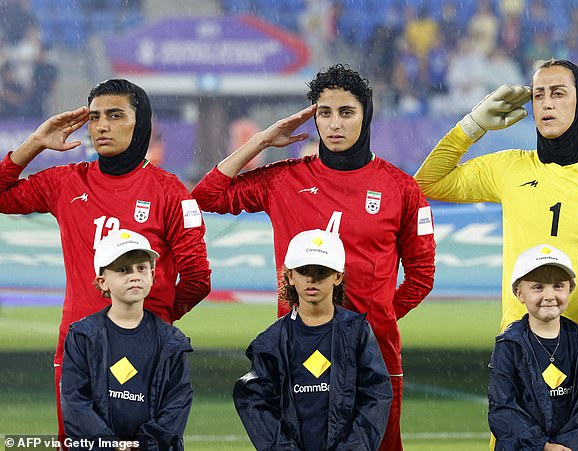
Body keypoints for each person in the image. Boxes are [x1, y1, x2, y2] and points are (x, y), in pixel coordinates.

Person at [193, 64, 435, 450]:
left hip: (374, 354)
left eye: (346, 112)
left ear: (366, 115)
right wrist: (262, 140)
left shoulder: (401, 189)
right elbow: (207, 196)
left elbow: (421, 276)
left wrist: (374, 320)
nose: (335, 124)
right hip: (295, 351)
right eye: (325, 113)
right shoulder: (284, 180)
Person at [416, 59, 578, 449]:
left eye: (558, 93)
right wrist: (473, 125)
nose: (546, 103)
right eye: (538, 95)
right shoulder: (510, 168)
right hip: (519, 358)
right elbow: (428, 182)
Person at [0, 79, 210, 440]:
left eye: (115, 115)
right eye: (95, 117)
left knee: (148, 444)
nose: (101, 126)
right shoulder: (66, 182)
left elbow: (197, 278)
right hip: (79, 349)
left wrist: (155, 319)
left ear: (140, 122)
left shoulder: (170, 191)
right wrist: (35, 142)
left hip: (149, 350)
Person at [233, 229, 392, 450]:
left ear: (338, 277)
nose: (311, 279)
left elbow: (376, 394)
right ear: (290, 276)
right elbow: (255, 401)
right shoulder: (271, 341)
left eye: (322, 271)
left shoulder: (356, 332)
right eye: (303, 270)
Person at [62, 229, 193, 450]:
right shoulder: (82, 336)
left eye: (141, 268)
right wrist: (110, 444)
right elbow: (74, 401)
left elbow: (177, 403)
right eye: (123, 269)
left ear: (152, 274)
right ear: (103, 282)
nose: (135, 275)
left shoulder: (172, 341)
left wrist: (144, 445)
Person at [488, 244, 578, 450]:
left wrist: (564, 446)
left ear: (570, 289)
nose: (549, 295)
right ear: (519, 293)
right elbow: (503, 409)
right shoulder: (508, 346)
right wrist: (542, 446)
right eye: (538, 287)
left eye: (558, 286)